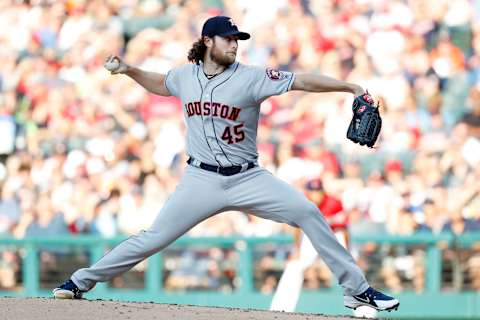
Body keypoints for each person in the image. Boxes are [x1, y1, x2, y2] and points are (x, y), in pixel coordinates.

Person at [52, 15, 399, 312]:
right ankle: (79, 282)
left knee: (308, 212)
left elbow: (302, 80)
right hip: (200, 179)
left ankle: (356, 291)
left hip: (249, 178)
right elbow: (161, 83)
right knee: (153, 237)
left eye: (237, 40)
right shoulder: (185, 76)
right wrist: (129, 70)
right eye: (228, 39)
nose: (235, 45)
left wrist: (350, 87)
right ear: (207, 41)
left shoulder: (251, 76)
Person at [269, 179, 378, 317]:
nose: (316, 194)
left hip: (335, 234)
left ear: (322, 191)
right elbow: (297, 228)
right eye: (313, 191)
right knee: (295, 266)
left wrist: (349, 252)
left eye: (318, 191)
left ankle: (366, 311)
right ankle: (280, 309)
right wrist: (296, 250)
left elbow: (344, 229)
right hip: (313, 234)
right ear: (308, 192)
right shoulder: (302, 202)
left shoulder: (334, 202)